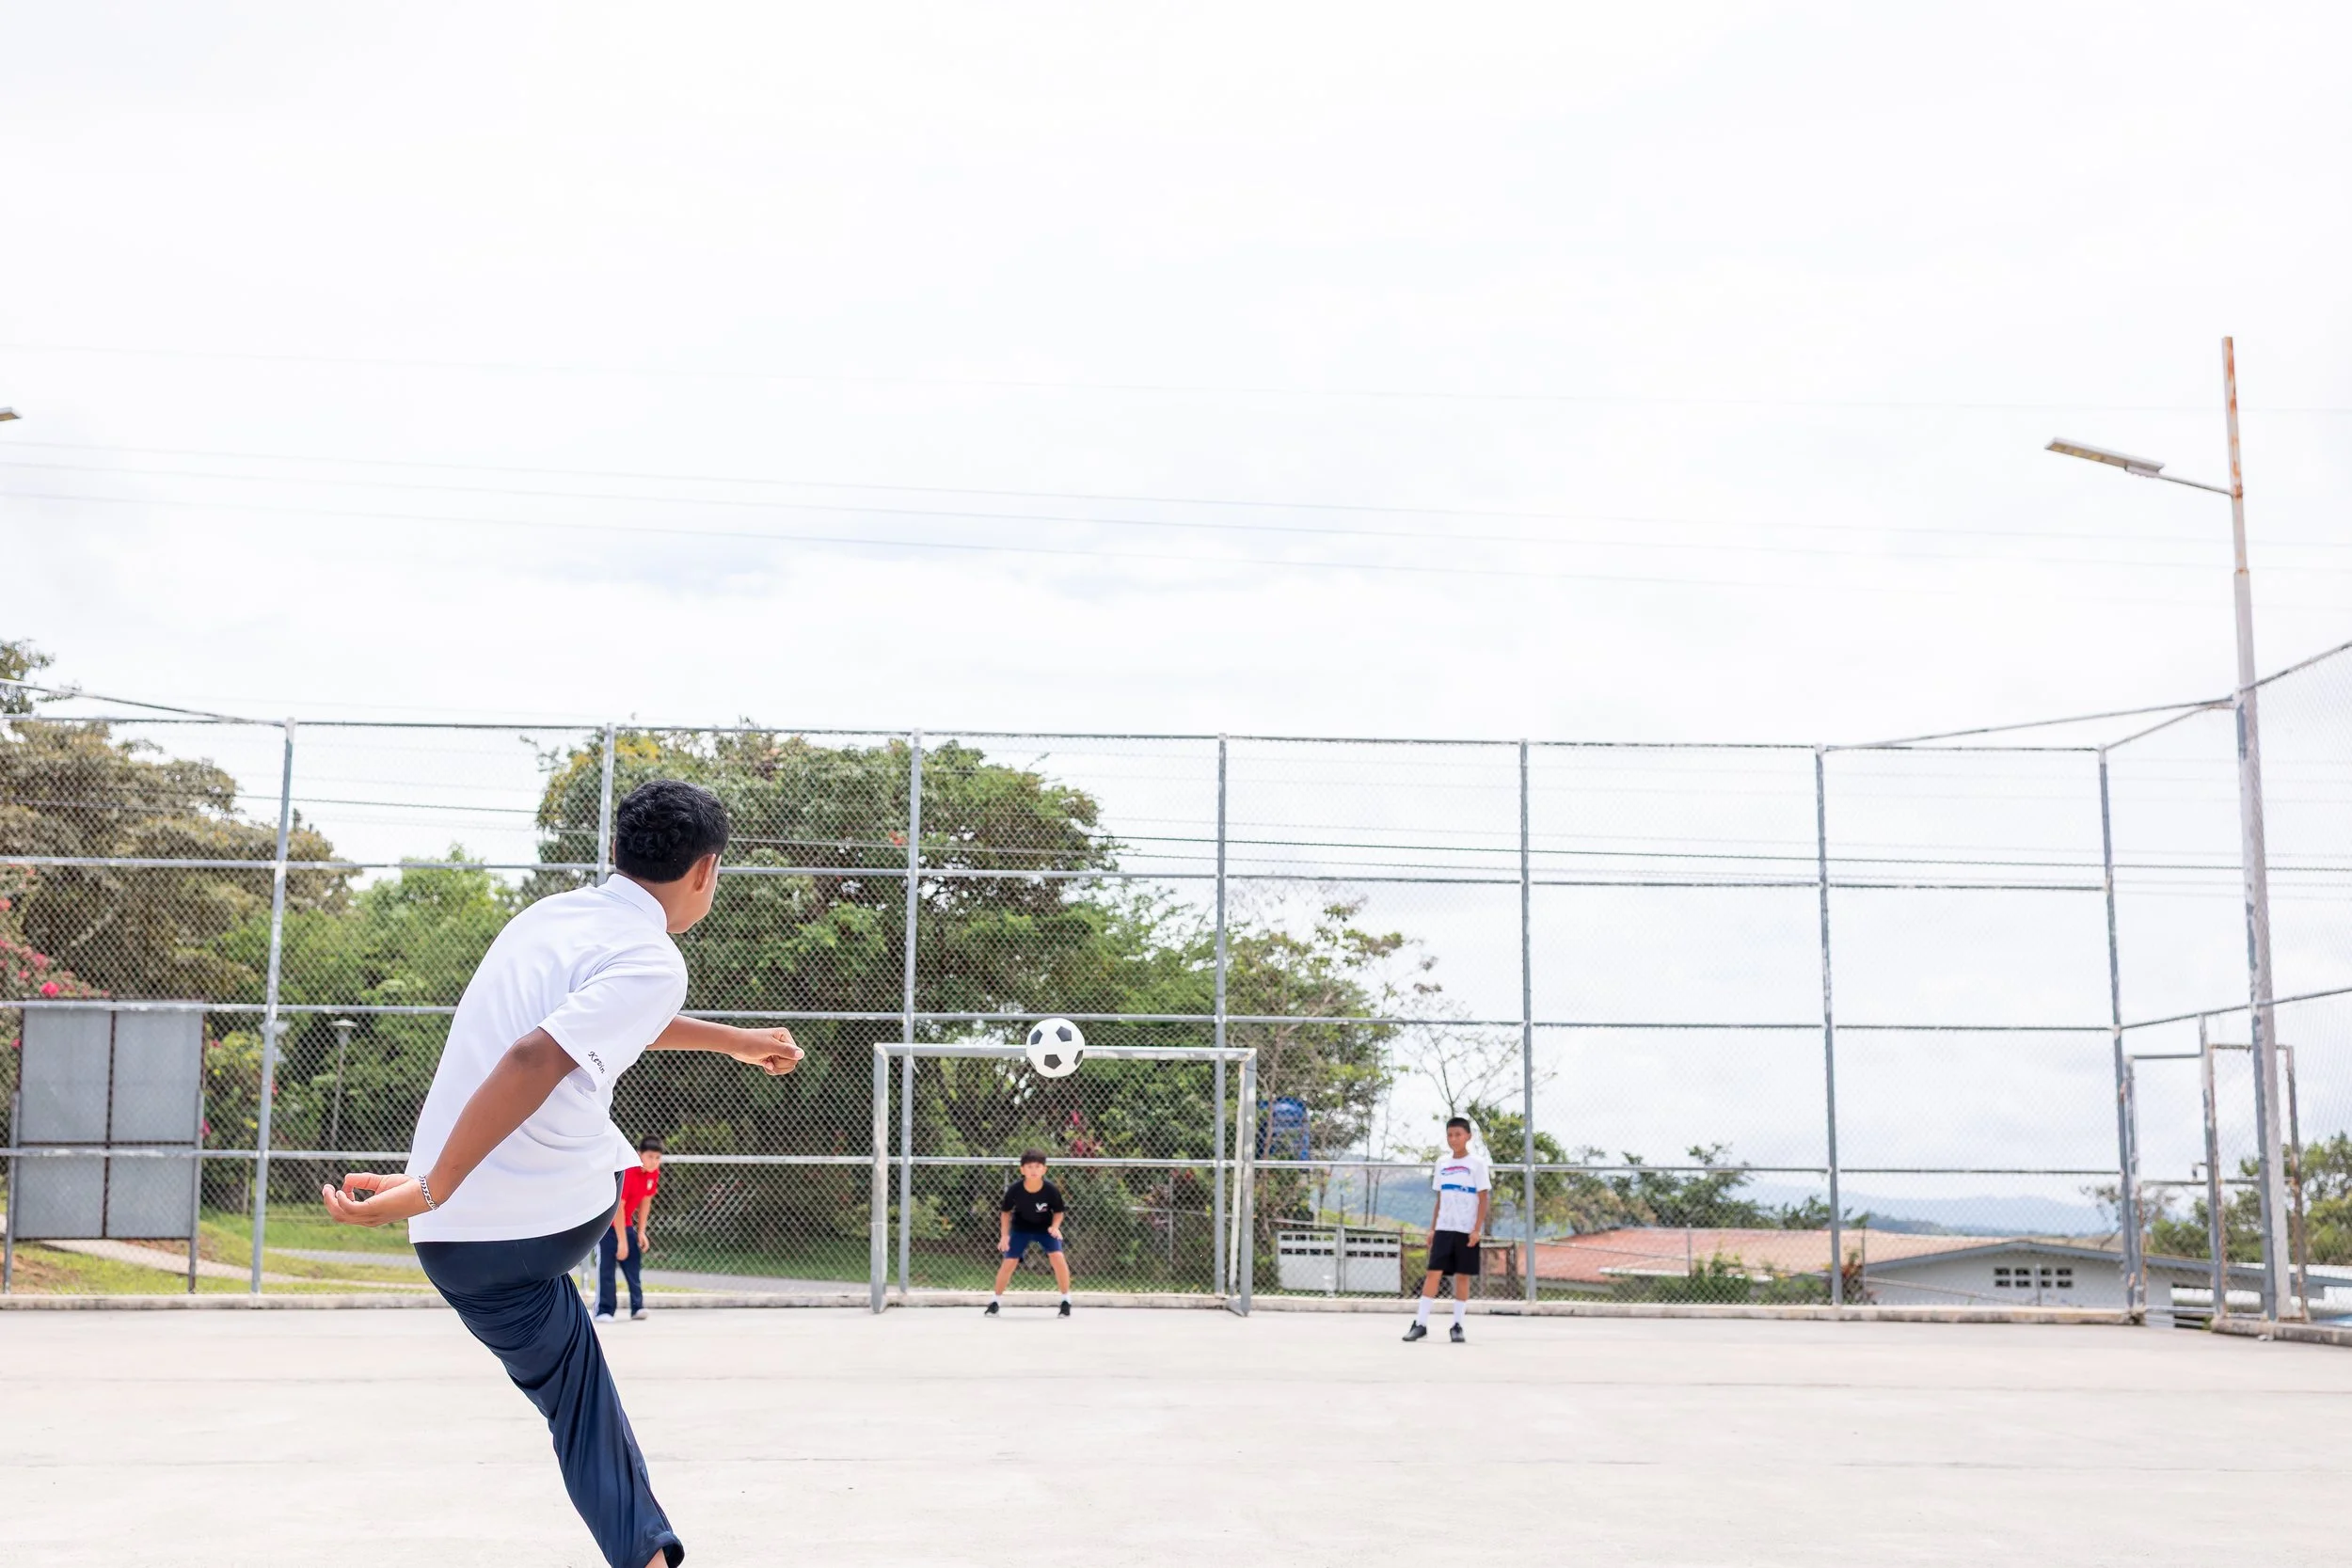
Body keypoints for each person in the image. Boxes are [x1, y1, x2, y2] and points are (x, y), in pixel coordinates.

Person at [320, 779, 803, 1568]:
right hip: (547, 1216)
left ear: (615, 850)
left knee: (579, 1397)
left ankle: (645, 1553)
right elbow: (535, 1057)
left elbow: (591, 1023)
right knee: (605, 1150)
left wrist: (736, 1039)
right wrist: (434, 1181)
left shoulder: (546, 919)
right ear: (706, 872)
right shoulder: (653, 956)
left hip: (456, 1251)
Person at [1404, 1116, 1490, 1344]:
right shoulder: (1442, 1163)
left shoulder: (1477, 1164)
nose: (1454, 1139)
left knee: (1462, 1276)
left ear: (1468, 1136)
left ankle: (1457, 1325)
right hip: (1444, 1227)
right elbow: (1440, 1198)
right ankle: (1420, 1323)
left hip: (1465, 1229)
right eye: (1450, 1135)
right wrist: (1433, 1228)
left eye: (1458, 1134)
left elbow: (1483, 1199)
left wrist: (1476, 1229)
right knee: (1434, 1272)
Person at [987, 1149, 1072, 1317]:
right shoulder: (1015, 1190)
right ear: (1022, 1170)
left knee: (1058, 1258)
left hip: (1044, 1229)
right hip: (1021, 1229)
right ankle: (995, 1301)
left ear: (1044, 1170)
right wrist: (1005, 1236)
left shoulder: (1051, 1190)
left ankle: (1065, 1301)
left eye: (1038, 1166)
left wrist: (1055, 1227)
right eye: (1029, 1166)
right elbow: (1005, 1212)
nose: (1034, 1170)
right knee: (1009, 1261)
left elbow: (1059, 1212)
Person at [597, 1135, 664, 1323]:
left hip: (626, 1225)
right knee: (607, 1269)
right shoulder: (628, 1171)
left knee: (633, 1265)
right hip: (606, 1225)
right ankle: (604, 1310)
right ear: (639, 1154)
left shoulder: (653, 1174)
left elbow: (646, 1201)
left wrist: (641, 1231)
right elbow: (618, 1207)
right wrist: (622, 1241)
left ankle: (638, 1307)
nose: (654, 1161)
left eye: (658, 1158)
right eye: (650, 1156)